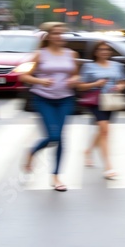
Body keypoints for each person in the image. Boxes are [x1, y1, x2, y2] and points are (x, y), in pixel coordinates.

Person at [20, 23, 80, 192]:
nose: (60, 36)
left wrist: (74, 79)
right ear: (49, 36)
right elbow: (24, 75)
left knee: (60, 137)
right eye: (56, 33)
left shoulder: (71, 54)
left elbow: (75, 73)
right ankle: (31, 153)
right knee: (53, 136)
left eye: (62, 34)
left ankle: (56, 176)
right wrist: (41, 81)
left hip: (66, 99)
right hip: (43, 98)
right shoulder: (40, 54)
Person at [78, 41, 125, 180]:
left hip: (111, 100)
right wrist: (96, 84)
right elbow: (80, 86)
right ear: (95, 52)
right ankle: (108, 167)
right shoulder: (89, 66)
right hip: (96, 101)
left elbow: (124, 81)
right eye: (101, 49)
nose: (104, 51)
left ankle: (88, 151)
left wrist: (120, 87)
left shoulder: (117, 66)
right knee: (105, 131)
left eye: (107, 49)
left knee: (102, 130)